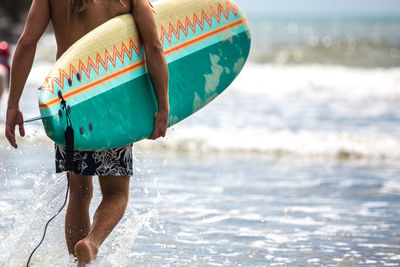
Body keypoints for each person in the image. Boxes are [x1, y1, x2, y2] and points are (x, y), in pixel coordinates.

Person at [5, 0, 169, 264]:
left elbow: (27, 42)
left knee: (80, 191)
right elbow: (153, 46)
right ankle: (91, 244)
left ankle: (78, 263)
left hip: (68, 101)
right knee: (116, 193)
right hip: (111, 102)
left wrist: (13, 104)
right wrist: (163, 105)